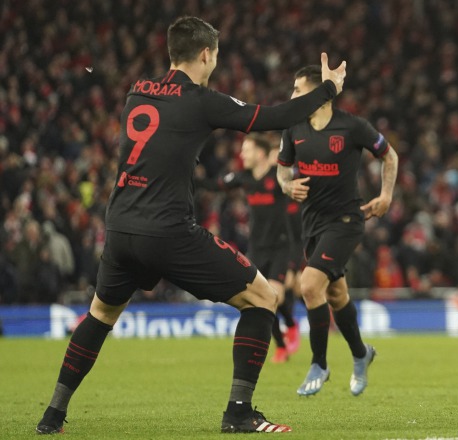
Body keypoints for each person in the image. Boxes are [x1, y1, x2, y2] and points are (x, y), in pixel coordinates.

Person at [36, 16, 346, 434]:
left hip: (121, 228)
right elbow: (275, 117)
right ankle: (239, 412)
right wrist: (328, 90)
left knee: (99, 315)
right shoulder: (201, 99)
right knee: (262, 299)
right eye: (215, 55)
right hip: (167, 232)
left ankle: (52, 415)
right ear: (206, 54)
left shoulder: (137, 91)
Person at [277, 65, 398, 396]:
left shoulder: (352, 127)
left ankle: (319, 363)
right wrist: (288, 188)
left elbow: (390, 157)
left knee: (310, 284)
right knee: (335, 294)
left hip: (346, 221)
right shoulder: (293, 128)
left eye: (298, 90)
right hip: (312, 223)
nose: (292, 96)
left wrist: (386, 195)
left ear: (319, 93)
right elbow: (281, 171)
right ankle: (361, 354)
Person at [209, 134, 300, 363]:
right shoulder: (244, 178)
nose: (242, 154)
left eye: (246, 150)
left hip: (280, 246)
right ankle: (281, 346)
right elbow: (217, 184)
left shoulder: (277, 178)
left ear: (260, 154)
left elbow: (296, 181)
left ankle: (290, 325)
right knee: (261, 300)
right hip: (257, 248)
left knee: (274, 296)